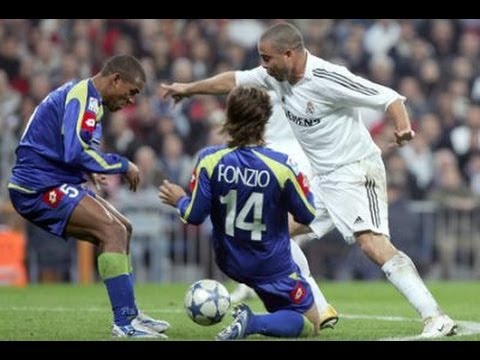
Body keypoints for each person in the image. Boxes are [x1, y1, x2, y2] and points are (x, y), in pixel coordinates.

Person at [161, 22, 457, 338]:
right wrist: (188, 88)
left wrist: (402, 128)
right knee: (277, 232)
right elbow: (233, 80)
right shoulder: (276, 76)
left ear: (289, 54)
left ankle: (435, 317)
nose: (263, 65)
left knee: (371, 243)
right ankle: (319, 306)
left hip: (356, 172)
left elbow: (389, 98)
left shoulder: (328, 77)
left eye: (267, 58)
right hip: (324, 178)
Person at [8, 54, 170, 338]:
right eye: (131, 92)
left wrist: (90, 171)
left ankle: (130, 312)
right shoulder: (84, 97)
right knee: (112, 231)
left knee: (124, 228)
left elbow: (73, 148)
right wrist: (123, 164)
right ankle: (124, 323)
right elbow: (74, 151)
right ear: (116, 79)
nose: (131, 100)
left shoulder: (89, 99)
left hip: (51, 180)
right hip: (37, 186)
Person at [159, 85, 321, 340]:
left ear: (229, 117)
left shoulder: (209, 159)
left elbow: (194, 215)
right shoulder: (282, 165)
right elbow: (308, 214)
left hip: (230, 261)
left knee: (281, 310)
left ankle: (264, 316)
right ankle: (252, 322)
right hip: (271, 265)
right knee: (311, 325)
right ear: (266, 119)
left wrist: (179, 200)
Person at [228, 90, 338, 332]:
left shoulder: (267, 88)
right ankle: (312, 302)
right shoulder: (298, 86)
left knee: (274, 233)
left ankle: (305, 299)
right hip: (292, 157)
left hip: (274, 155)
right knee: (280, 233)